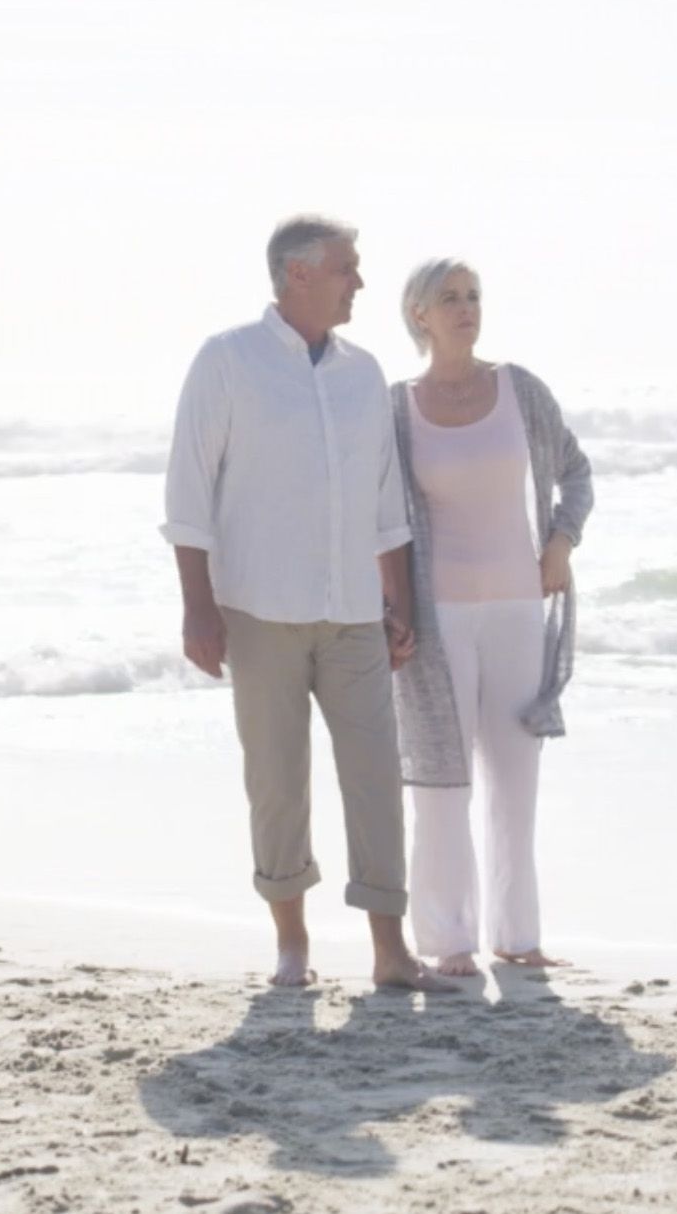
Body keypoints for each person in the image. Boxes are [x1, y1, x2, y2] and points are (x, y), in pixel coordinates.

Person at [161, 215, 450, 992]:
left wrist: (399, 605)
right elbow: (188, 494)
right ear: (299, 273)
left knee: (376, 780)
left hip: (355, 614)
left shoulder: (363, 373)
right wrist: (198, 608)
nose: (359, 282)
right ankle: (291, 943)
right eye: (346, 268)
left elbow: (385, 504)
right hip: (259, 611)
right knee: (278, 783)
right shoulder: (227, 361)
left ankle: (390, 951)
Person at [389, 258, 594, 977]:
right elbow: (376, 515)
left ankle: (518, 934)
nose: (466, 308)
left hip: (515, 609)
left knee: (515, 778)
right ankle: (449, 940)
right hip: (437, 618)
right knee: (442, 782)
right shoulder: (396, 409)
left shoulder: (519, 390)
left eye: (473, 296)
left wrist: (561, 541)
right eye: (449, 298)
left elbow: (575, 471)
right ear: (419, 314)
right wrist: (389, 607)